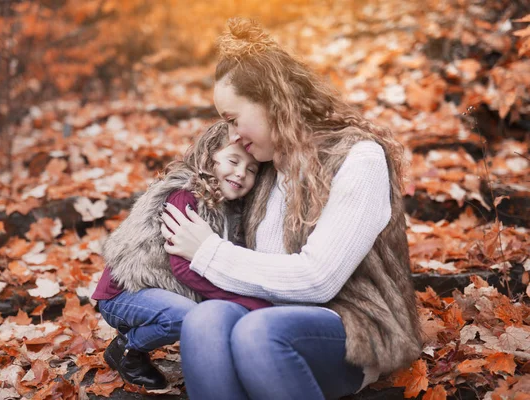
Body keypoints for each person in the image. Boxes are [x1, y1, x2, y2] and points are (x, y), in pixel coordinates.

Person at [160, 18, 423, 400]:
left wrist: (207, 252)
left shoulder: (358, 158)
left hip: (350, 327)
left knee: (259, 333)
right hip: (264, 314)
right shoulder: (261, 171)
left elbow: (319, 279)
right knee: (204, 321)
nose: (231, 136)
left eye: (234, 119)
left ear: (272, 100)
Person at [92, 121, 271, 390]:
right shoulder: (184, 198)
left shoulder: (232, 210)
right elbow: (183, 269)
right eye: (232, 161)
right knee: (188, 316)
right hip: (124, 293)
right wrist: (245, 301)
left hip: (162, 293)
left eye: (251, 169)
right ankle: (126, 349)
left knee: (198, 312)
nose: (240, 173)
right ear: (209, 158)